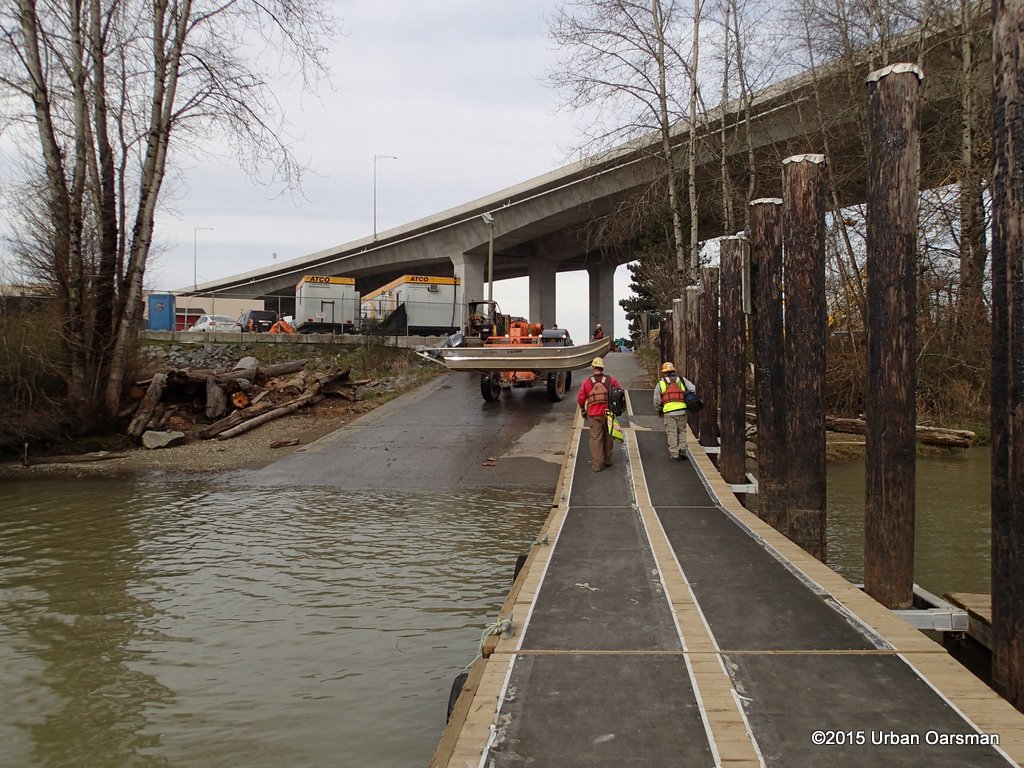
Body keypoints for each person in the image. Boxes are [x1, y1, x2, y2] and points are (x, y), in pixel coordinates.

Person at [577, 356, 622, 472]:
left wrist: (583, 410)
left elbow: (581, 398)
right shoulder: (610, 379)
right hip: (608, 413)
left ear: (593, 368)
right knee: (608, 436)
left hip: (594, 414)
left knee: (596, 439)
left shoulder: (588, 382)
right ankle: (608, 460)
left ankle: (597, 465)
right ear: (602, 368)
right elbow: (619, 391)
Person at [653, 361, 695, 461]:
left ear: (664, 372)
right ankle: (682, 450)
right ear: (673, 370)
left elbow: (656, 399)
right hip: (682, 410)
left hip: (669, 412)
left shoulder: (661, 383)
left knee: (672, 433)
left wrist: (658, 409)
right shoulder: (681, 380)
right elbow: (693, 388)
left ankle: (675, 454)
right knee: (682, 430)